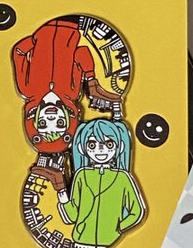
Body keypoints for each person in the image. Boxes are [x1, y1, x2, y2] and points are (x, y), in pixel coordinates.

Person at [12, 17, 122, 189]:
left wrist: (34, 40)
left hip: (43, 20)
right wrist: (91, 79)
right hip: (72, 23)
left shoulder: (27, 88)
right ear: (69, 119)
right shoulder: (72, 91)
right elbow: (81, 52)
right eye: (60, 123)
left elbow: (18, 52)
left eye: (43, 124)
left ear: (33, 119)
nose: (51, 117)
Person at [58, 119, 145, 248]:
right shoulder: (81, 175)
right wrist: (63, 196)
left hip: (112, 245)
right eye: (92, 145)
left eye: (109, 144)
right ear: (82, 148)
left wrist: (118, 228)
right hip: (81, 244)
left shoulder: (122, 178)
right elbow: (73, 216)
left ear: (120, 146)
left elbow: (137, 211)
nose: (100, 149)